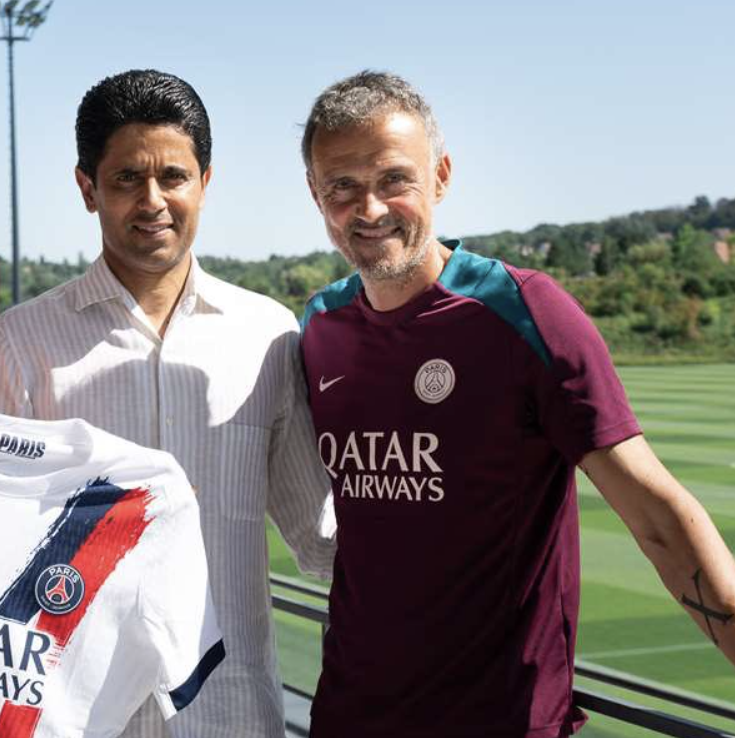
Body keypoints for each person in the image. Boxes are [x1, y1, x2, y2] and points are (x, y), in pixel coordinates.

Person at [298, 72, 735, 737]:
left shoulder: (524, 312)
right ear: (316, 196)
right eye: (343, 187)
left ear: (440, 176)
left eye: (394, 180)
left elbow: (657, 518)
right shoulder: (319, 328)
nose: (371, 209)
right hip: (348, 719)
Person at [0, 69, 336, 737]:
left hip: (233, 713)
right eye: (125, 180)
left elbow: (319, 540)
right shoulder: (19, 345)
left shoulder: (268, 336)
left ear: (205, 182)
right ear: (88, 189)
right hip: (78, 721)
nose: (152, 200)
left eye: (172, 176)